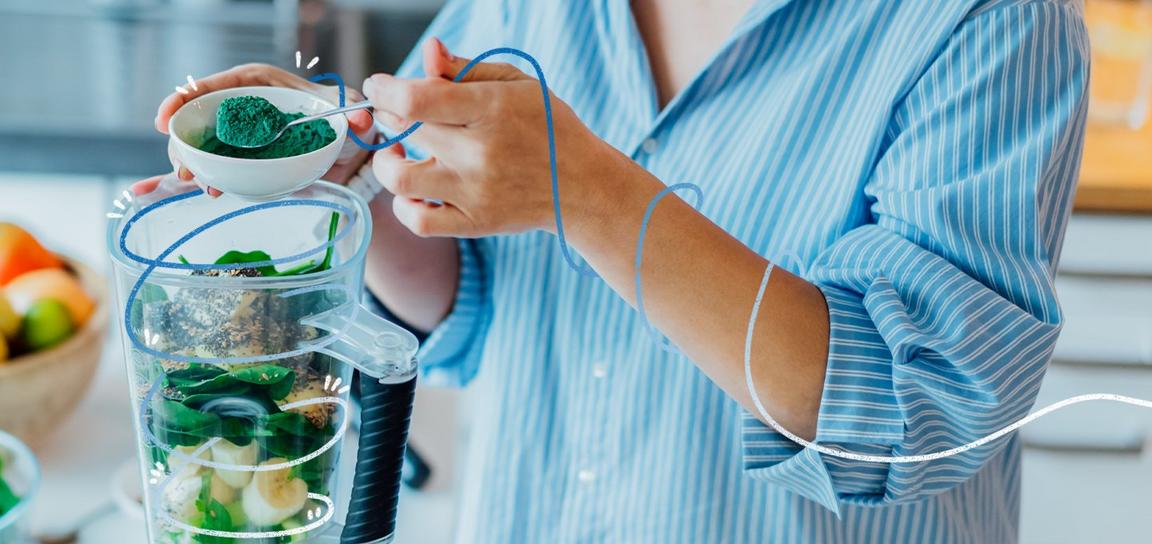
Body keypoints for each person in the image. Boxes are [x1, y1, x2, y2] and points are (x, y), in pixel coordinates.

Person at [135, 0, 1090, 541]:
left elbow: (921, 407)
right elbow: (473, 307)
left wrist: (591, 191)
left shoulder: (992, 22)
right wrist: (353, 179)